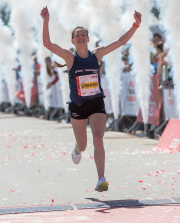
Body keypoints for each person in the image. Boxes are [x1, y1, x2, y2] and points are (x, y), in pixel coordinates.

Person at [40, 6, 141, 192]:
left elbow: (120, 41)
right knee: (84, 145)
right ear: (73, 40)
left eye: (83, 35)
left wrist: (135, 25)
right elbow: (48, 44)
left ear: (87, 39)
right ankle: (77, 148)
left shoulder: (97, 54)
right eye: (77, 35)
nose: (80, 37)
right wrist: (46, 21)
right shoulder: (70, 58)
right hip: (78, 105)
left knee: (98, 140)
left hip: (96, 103)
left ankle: (101, 178)